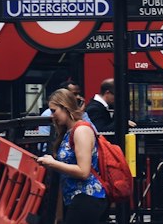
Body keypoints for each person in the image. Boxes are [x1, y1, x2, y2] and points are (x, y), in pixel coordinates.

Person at [39, 87, 108, 224]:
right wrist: (59, 214)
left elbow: (83, 172)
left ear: (65, 107)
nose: (52, 115)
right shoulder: (68, 132)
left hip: (87, 198)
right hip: (75, 199)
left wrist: (52, 163)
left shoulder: (81, 130)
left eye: (54, 111)